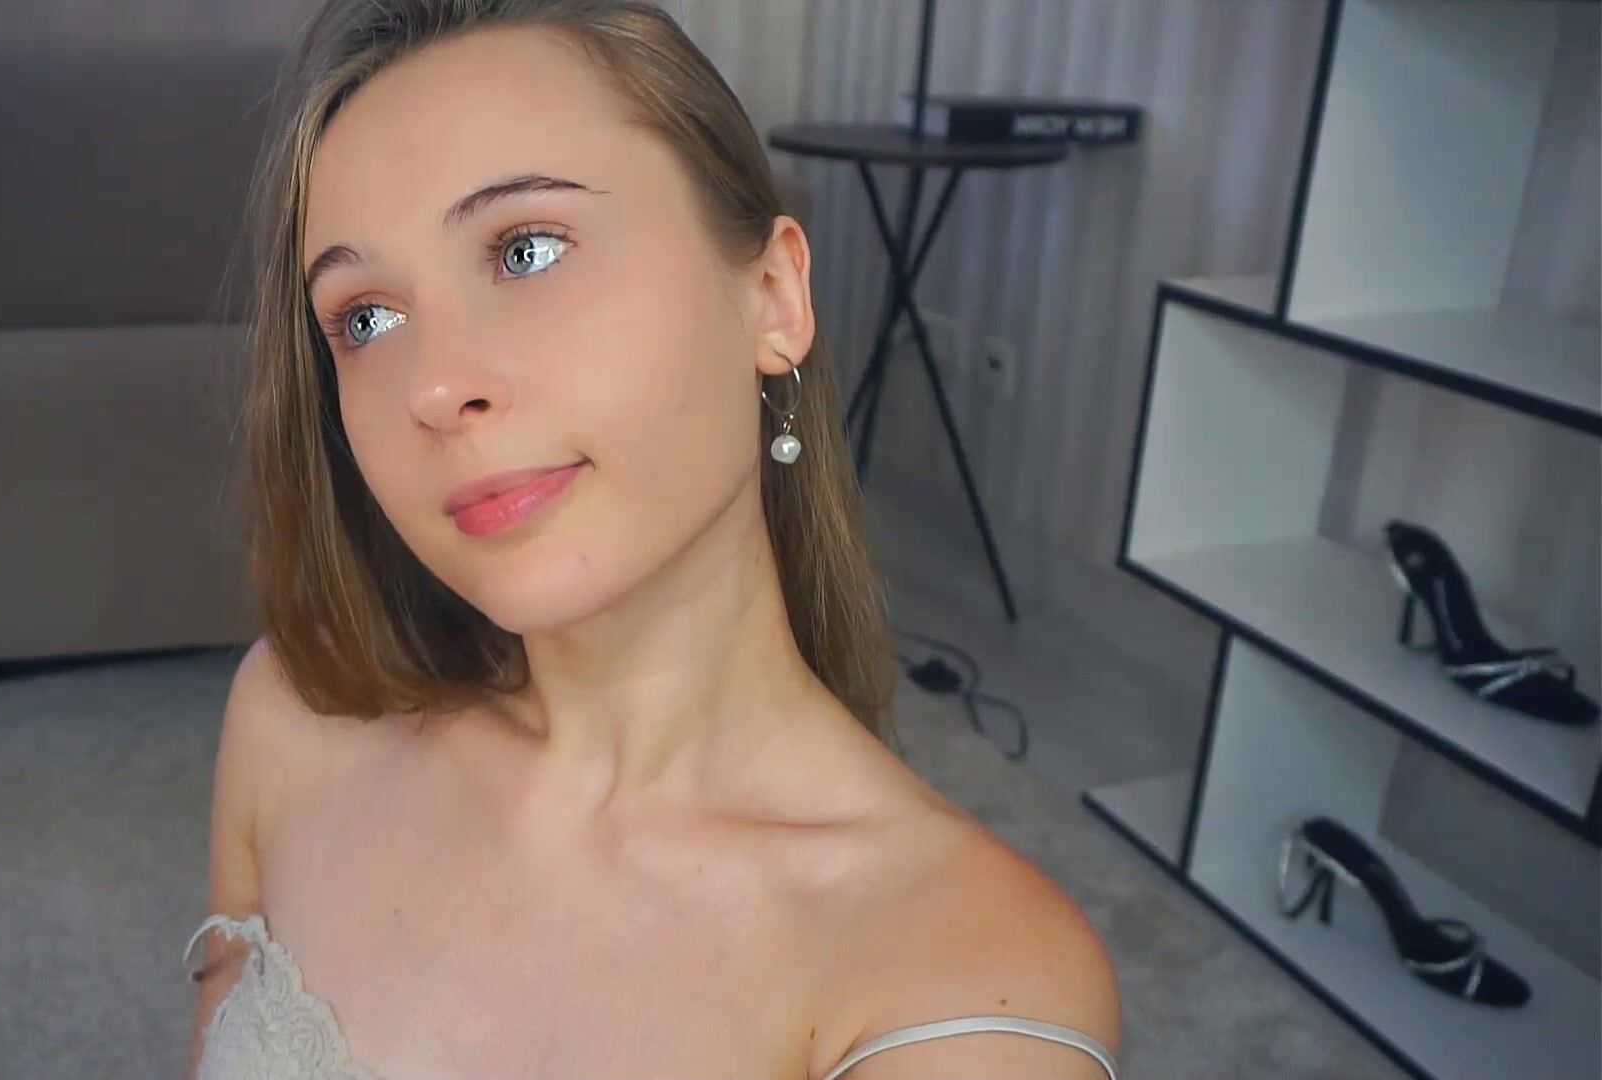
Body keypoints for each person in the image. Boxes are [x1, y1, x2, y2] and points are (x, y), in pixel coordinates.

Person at [183, 1, 1122, 1077]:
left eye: (528, 249)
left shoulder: (966, 990)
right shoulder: (291, 719)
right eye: (366, 319)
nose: (433, 386)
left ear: (772, 298)